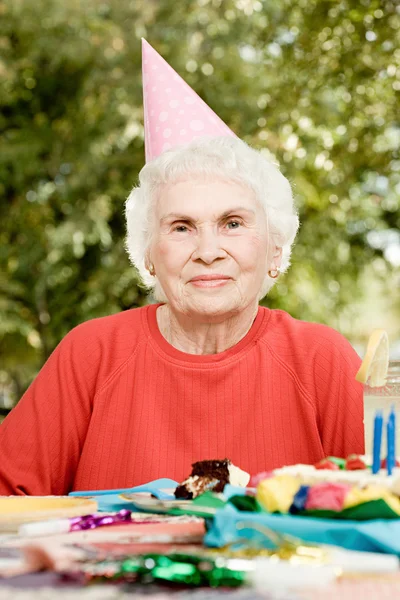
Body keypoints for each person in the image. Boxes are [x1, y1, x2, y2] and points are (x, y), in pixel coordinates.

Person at [0, 41, 363, 496]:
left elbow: (382, 509)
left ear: (275, 249)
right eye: (181, 227)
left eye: (232, 223)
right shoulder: (90, 354)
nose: (208, 250)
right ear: (149, 255)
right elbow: (7, 498)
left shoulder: (322, 361)